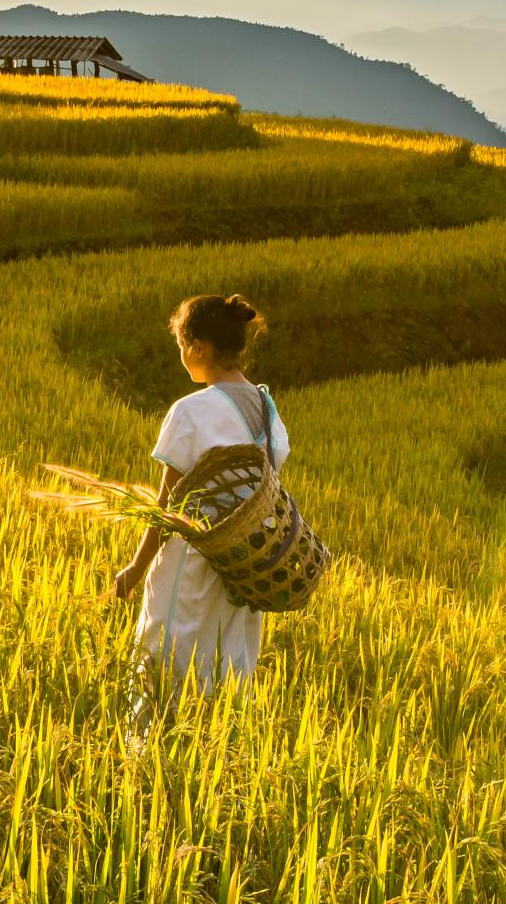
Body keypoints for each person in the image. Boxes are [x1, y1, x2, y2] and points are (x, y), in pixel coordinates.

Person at [110, 293, 289, 718]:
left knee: (167, 669)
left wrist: (136, 570)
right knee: (226, 676)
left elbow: (166, 507)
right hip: (243, 569)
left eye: (182, 348)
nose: (182, 358)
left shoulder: (190, 411)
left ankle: (151, 764)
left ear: (199, 348)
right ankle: (211, 771)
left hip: (192, 564)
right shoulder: (268, 409)